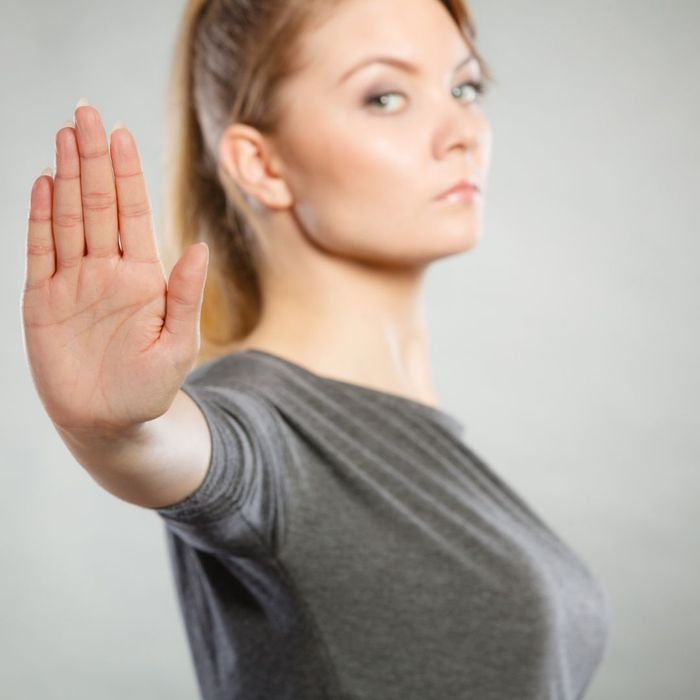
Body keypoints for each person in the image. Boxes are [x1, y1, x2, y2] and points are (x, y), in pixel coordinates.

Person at [21, 0, 612, 698]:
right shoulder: (262, 422)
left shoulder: (415, 439)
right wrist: (115, 431)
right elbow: (193, 455)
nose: (462, 131)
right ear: (262, 164)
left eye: (465, 87)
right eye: (384, 96)